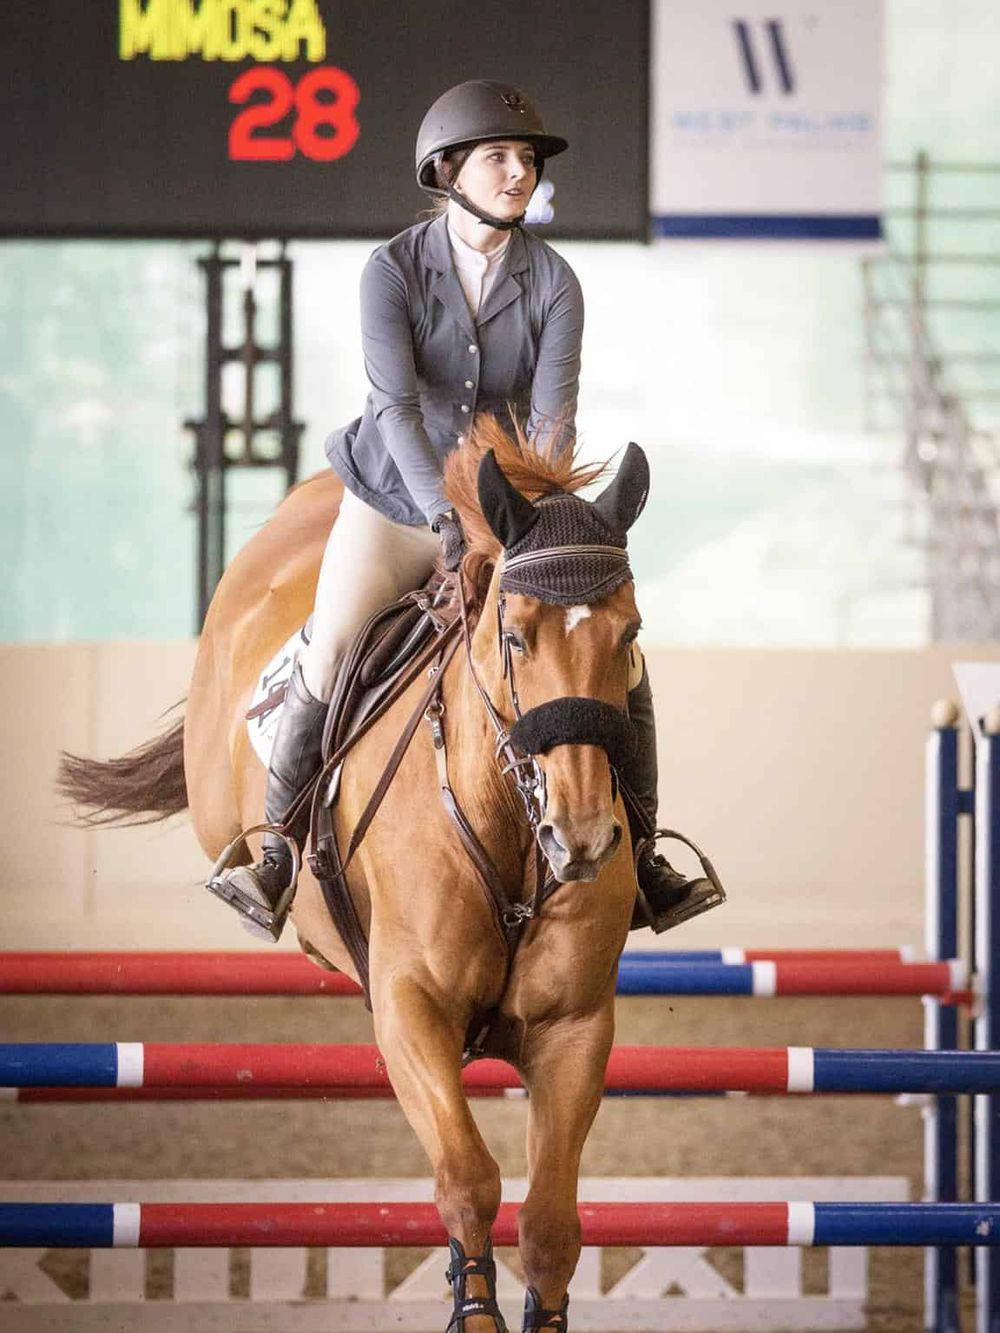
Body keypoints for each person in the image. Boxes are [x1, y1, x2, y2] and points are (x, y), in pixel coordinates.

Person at [208, 79, 722, 939]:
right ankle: (277, 851)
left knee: (616, 660)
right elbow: (394, 411)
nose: (519, 173)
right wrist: (442, 518)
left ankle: (647, 857)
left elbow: (553, 423)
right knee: (331, 645)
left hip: (505, 515)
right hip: (393, 505)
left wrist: (532, 527)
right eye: (501, 158)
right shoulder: (392, 271)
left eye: (526, 160)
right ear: (449, 171)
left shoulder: (556, 282)